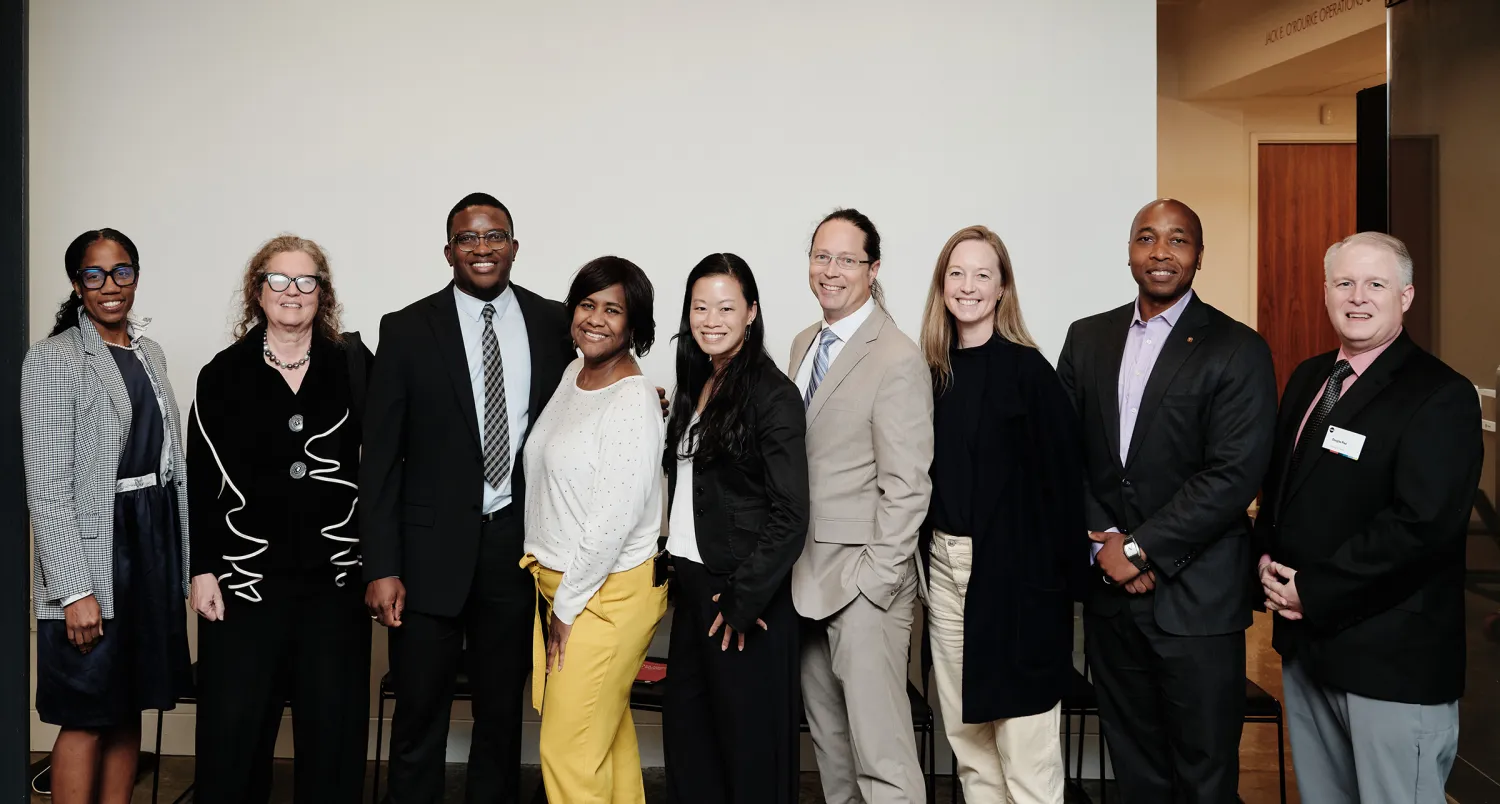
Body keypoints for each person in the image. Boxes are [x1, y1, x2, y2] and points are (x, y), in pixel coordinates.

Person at [1056, 199, 1277, 803]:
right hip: (1111, 598)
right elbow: (1062, 454)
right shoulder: (1087, 337)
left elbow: (1231, 476)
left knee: (1204, 775)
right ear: (1129, 251)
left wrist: (1140, 549)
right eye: (1146, 238)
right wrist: (1107, 545)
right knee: (1135, 769)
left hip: (1197, 602)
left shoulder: (1237, 348)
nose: (1161, 252)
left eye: (1177, 240)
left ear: (1198, 256)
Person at [360, 193, 574, 804]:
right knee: (419, 716)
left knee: (502, 717)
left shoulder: (554, 323)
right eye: (468, 238)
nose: (482, 247)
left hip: (516, 546)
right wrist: (382, 565)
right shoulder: (405, 329)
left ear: (513, 245)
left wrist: (644, 398)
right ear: (449, 250)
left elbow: (585, 406)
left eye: (494, 235)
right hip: (426, 557)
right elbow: (380, 458)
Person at [1255, 232, 1479, 804]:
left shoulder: (1440, 394)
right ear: (1326, 292)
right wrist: (1265, 555)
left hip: (1391, 660)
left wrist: (1315, 589)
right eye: (1344, 283)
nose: (1358, 297)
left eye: (1375, 284)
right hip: (1310, 648)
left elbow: (1422, 526)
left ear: (1404, 297)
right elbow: (1282, 487)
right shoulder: (1310, 378)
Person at [186, 235, 374, 803]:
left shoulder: (355, 368)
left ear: (324, 293)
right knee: (233, 745)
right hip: (243, 588)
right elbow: (200, 483)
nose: (292, 292)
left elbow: (392, 464)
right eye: (278, 280)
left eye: (306, 281)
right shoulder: (221, 374)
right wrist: (203, 571)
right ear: (257, 290)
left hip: (335, 586)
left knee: (333, 745)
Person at [917, 226, 1090, 803]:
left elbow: (1065, 491)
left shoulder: (1030, 374)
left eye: (982, 274)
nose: (968, 287)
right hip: (944, 573)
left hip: (1017, 581)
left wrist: (1051, 593)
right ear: (942, 286)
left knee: (1026, 753)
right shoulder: (929, 374)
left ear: (1001, 288)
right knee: (969, 748)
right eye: (957, 274)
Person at [22, 229, 192, 804]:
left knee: (130, 699)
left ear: (136, 277)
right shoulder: (54, 358)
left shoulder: (150, 352)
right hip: (96, 548)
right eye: (94, 275)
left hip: (152, 541)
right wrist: (74, 590)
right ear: (76, 284)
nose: (110, 286)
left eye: (121, 272)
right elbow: (46, 484)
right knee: (88, 708)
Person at [790, 208, 934, 804]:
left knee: (883, 760)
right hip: (804, 580)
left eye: (847, 259)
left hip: (864, 586)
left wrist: (876, 581)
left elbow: (909, 485)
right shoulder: (803, 343)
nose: (831, 270)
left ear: (873, 270)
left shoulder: (897, 355)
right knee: (833, 754)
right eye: (821, 256)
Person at [661, 253, 809, 804]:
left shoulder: (772, 394)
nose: (711, 319)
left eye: (726, 307)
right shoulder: (697, 382)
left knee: (749, 758)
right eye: (700, 307)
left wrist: (745, 600)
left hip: (744, 594)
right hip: (694, 588)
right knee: (693, 747)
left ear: (751, 312)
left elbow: (791, 511)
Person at [521, 256, 667, 803]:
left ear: (634, 325)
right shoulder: (574, 374)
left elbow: (611, 523)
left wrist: (566, 609)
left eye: (614, 309)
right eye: (587, 304)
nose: (597, 319)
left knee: (568, 751)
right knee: (604, 742)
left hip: (603, 596)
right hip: (570, 587)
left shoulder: (631, 399)